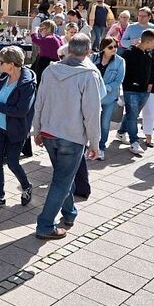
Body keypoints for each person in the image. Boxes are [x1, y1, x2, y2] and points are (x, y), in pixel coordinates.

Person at [33, 34, 104, 240]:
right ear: (89, 52)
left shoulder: (50, 70)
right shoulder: (89, 75)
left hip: (49, 133)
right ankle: (45, 224)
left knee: (64, 177)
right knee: (62, 180)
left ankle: (70, 212)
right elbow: (92, 112)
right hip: (71, 137)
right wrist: (95, 142)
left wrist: (37, 129)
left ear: (68, 49)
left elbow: (40, 102)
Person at [0, 47, 36, 209]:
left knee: (13, 162)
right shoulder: (4, 78)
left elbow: (21, 111)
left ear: (12, 64)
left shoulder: (27, 84)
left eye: (2, 62)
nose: (0, 64)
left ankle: (26, 186)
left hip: (16, 129)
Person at [116, 30, 154, 156]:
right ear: (148, 41)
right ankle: (134, 141)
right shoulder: (129, 53)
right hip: (131, 90)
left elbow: (151, 69)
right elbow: (122, 71)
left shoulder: (149, 53)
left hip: (145, 91)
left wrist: (150, 83)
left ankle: (121, 132)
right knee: (133, 116)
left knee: (132, 114)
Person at [91, 37, 125, 161]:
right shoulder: (93, 58)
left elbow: (119, 80)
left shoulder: (120, 61)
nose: (114, 49)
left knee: (105, 124)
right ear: (103, 48)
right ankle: (91, 147)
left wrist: (106, 88)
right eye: (110, 47)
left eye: (115, 46)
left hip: (109, 98)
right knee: (91, 123)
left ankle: (101, 148)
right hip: (93, 97)